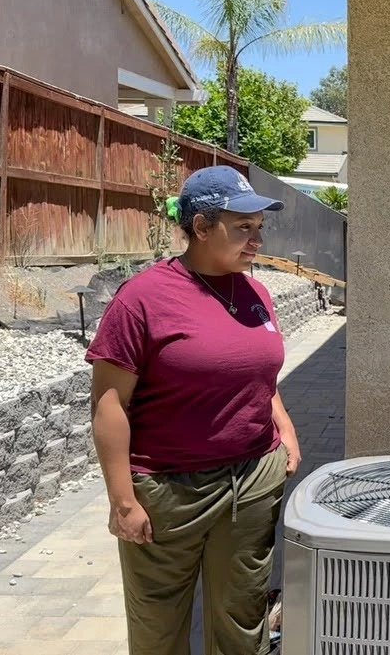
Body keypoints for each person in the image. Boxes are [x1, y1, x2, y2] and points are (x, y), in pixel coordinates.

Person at [86, 165, 302, 655]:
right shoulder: (143, 299)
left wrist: (284, 426)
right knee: (159, 629)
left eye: (259, 227)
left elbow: (257, 374)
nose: (256, 240)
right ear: (201, 227)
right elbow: (108, 403)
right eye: (242, 227)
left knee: (242, 620)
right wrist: (122, 499)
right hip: (169, 490)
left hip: (252, 481)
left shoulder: (255, 292)